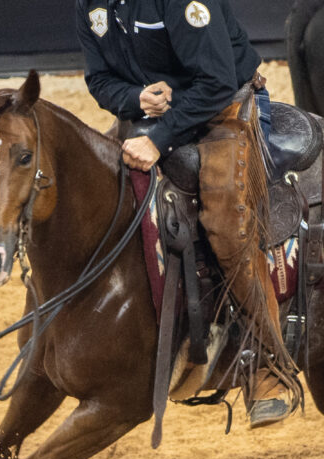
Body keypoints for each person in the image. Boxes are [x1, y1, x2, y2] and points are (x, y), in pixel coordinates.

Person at [76, 0, 297, 428]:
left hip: (225, 109)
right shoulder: (90, 4)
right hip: (150, 116)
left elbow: (215, 82)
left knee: (226, 224)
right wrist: (135, 97)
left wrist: (159, 138)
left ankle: (272, 366)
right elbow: (98, 78)